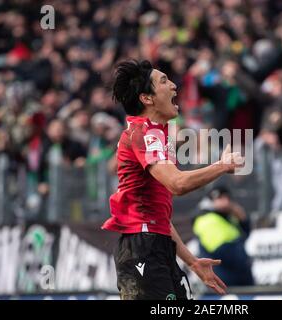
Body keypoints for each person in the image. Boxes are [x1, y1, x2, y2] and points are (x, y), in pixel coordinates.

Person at [102, 60, 244, 300]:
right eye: (164, 81)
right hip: (141, 250)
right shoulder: (143, 134)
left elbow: (159, 219)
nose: (175, 86)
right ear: (147, 98)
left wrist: (193, 262)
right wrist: (222, 165)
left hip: (157, 246)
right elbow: (177, 184)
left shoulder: (155, 135)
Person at [193, 186, 254, 286]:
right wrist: (245, 261)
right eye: (220, 198)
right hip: (225, 280)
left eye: (227, 198)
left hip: (238, 278)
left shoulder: (227, 217)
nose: (225, 202)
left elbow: (243, 236)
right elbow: (223, 250)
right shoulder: (206, 220)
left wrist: (243, 221)